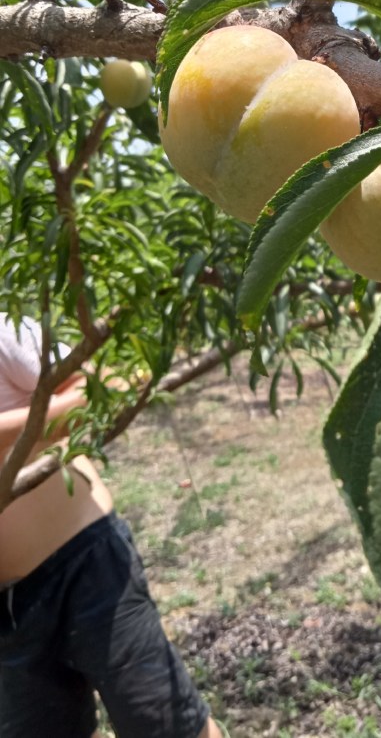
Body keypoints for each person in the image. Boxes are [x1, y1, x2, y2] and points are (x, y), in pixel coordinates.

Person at [0, 313, 223, 738]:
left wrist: (7, 429)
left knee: (163, 725)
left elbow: (96, 391)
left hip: (86, 564)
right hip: (9, 612)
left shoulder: (1, 330)